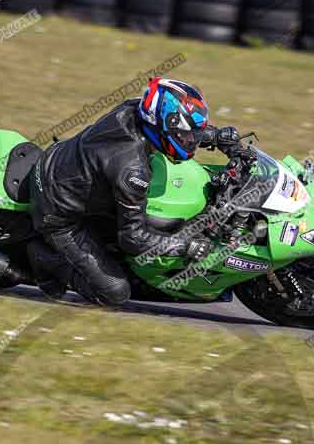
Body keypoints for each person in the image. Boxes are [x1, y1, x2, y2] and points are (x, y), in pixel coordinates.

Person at [27, 77, 239, 307]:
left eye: (193, 135)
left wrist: (215, 136)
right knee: (115, 293)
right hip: (58, 215)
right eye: (188, 136)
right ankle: (46, 260)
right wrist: (185, 246)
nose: (191, 141)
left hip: (60, 161)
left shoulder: (134, 108)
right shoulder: (132, 171)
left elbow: (173, 125)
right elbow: (133, 238)